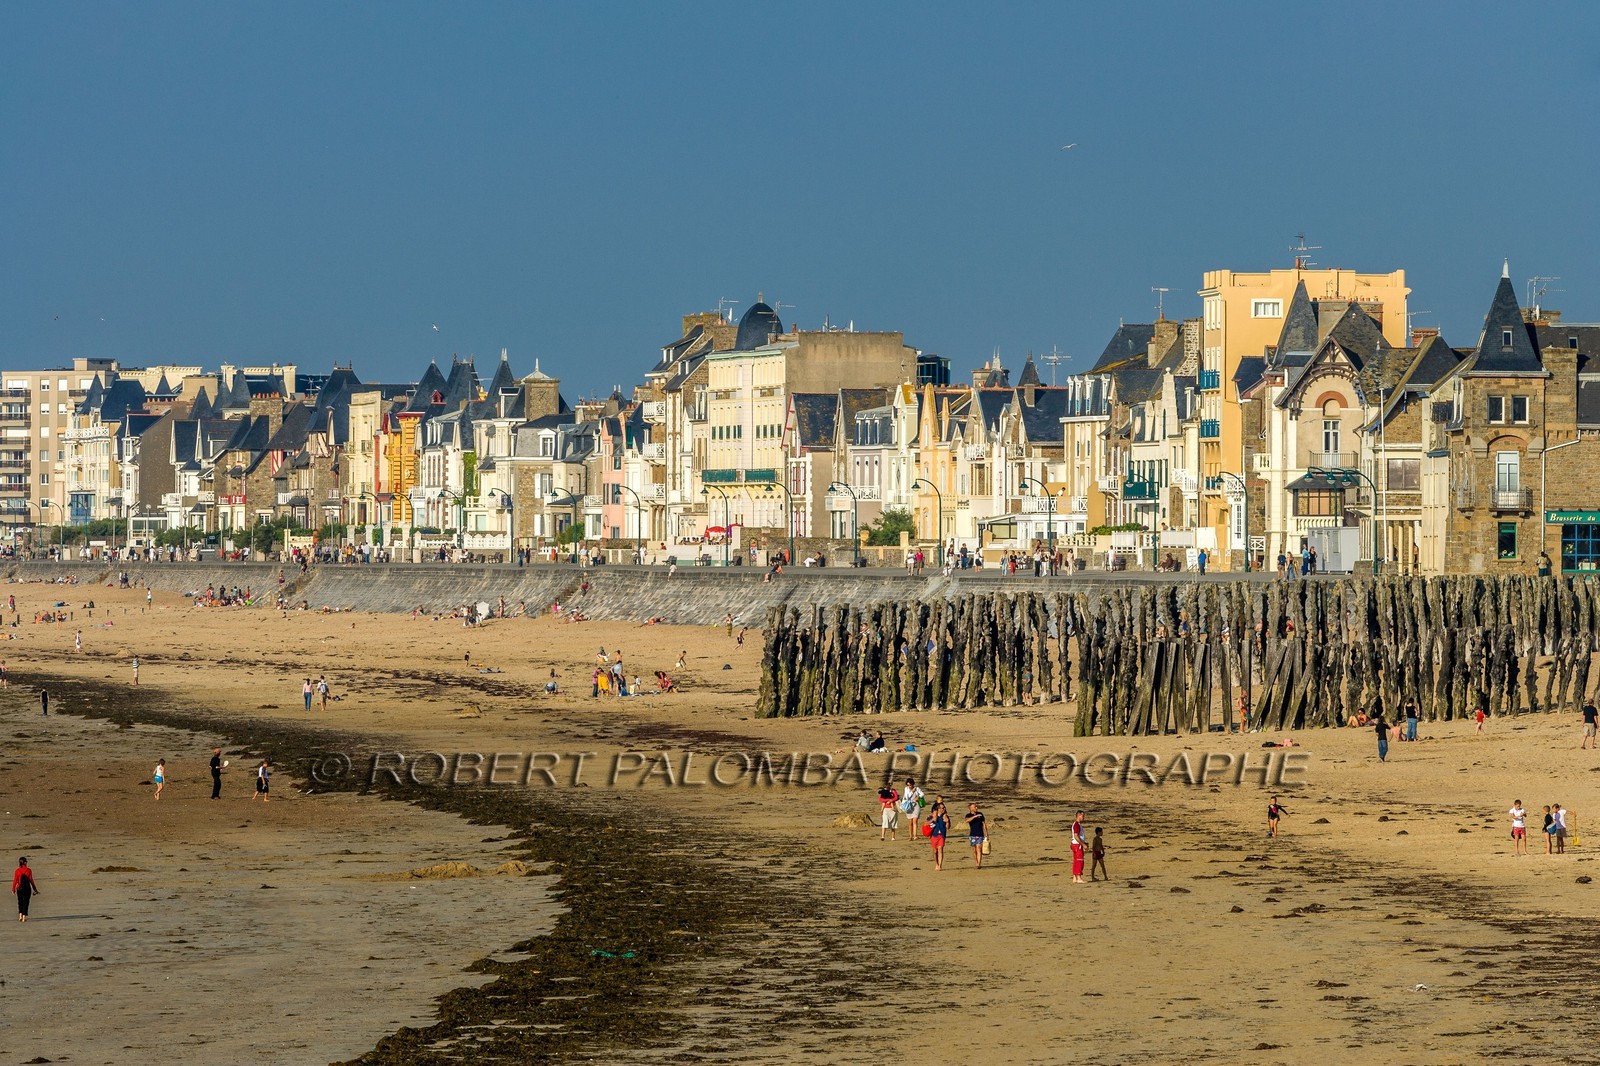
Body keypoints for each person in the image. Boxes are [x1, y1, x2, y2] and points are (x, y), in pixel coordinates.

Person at [12, 857, 38, 922]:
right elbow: (31, 880)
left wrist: (13, 889)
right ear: (25, 862)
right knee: (26, 902)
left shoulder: (17, 871)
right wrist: (35, 888)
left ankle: (20, 915)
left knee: (20, 902)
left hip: (19, 888)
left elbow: (15, 880)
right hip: (27, 888)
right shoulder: (29, 870)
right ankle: (24, 917)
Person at [927, 800, 948, 871]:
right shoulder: (931, 816)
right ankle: (936, 863)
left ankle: (940, 865)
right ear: (938, 809)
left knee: (940, 849)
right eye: (942, 808)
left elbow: (948, 827)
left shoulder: (945, 816)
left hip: (941, 835)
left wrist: (947, 821)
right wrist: (933, 819)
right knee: (935, 851)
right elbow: (926, 824)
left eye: (944, 808)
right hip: (934, 835)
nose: (943, 809)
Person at [965, 803, 987, 870]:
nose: (976, 808)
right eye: (974, 807)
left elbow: (984, 824)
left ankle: (979, 864)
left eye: (976, 807)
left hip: (980, 834)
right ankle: (976, 862)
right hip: (972, 834)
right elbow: (966, 820)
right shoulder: (968, 815)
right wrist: (974, 816)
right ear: (970, 808)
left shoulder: (980, 814)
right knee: (974, 850)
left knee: (979, 848)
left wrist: (986, 833)